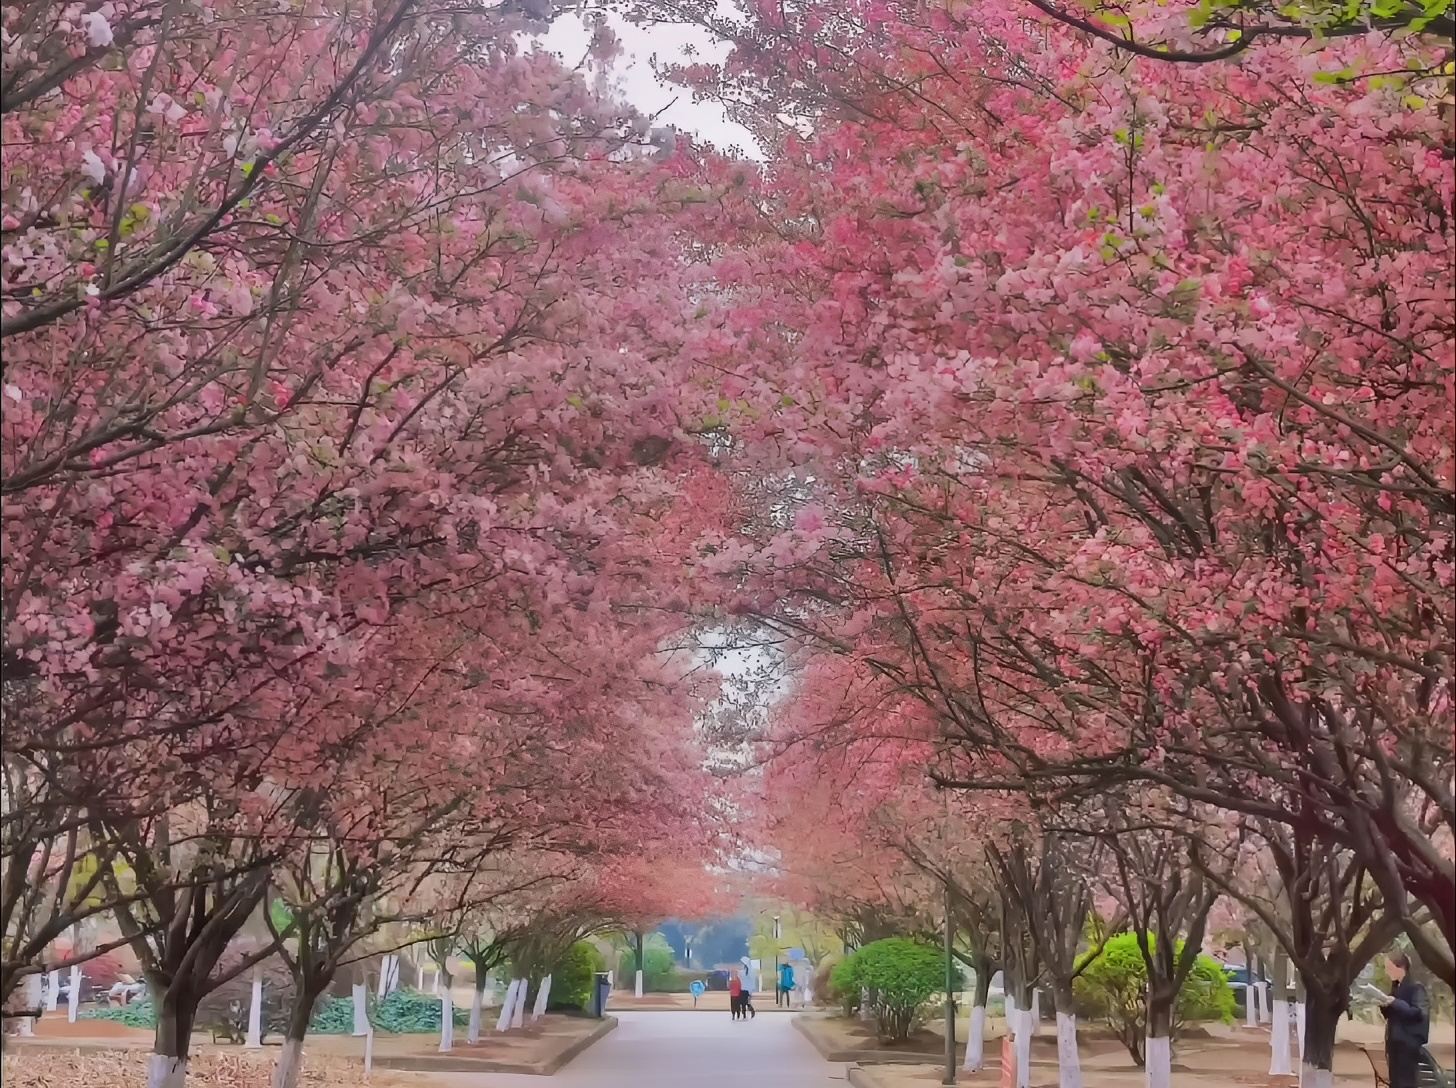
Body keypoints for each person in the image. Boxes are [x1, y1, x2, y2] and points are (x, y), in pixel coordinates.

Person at [1380, 950, 1430, 1088]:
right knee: (1395, 1082)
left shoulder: (1416, 988)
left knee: (1406, 1082)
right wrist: (1384, 1005)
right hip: (1394, 1043)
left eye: (1389, 968)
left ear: (1400, 968)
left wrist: (1395, 1002)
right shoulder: (1396, 987)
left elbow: (1418, 1013)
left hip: (1408, 1044)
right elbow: (1392, 1014)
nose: (1387, 972)